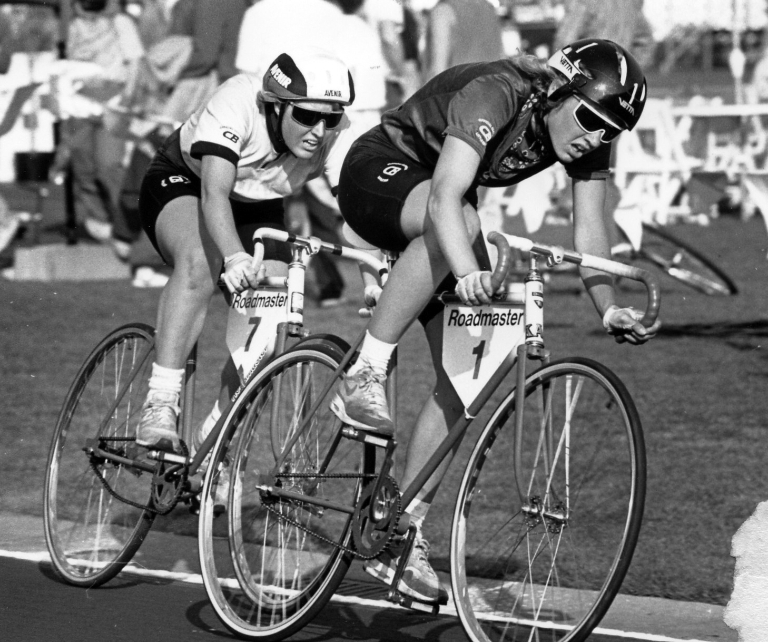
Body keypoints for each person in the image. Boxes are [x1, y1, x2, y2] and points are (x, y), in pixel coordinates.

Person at [332, 38, 661, 606]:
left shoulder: (586, 138)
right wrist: (464, 273)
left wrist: (607, 305)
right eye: (590, 118)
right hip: (379, 173)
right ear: (559, 89)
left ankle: (399, 524)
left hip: (444, 208)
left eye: (612, 131)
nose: (596, 137)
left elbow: (589, 234)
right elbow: (443, 200)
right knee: (457, 222)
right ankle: (364, 371)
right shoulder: (495, 90)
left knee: (473, 371)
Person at [135, 50, 357, 453]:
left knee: (273, 321)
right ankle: (161, 401)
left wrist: (378, 268)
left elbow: (357, 210)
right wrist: (234, 256)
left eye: (331, 118)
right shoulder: (238, 100)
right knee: (201, 263)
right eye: (306, 117)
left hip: (259, 205)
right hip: (187, 182)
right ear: (275, 106)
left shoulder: (333, 132)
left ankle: (216, 437)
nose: (320, 130)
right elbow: (214, 194)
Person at [63, 0, 144, 243]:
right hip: (80, 102)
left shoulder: (120, 22)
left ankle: (126, 225)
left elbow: (136, 62)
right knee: (82, 163)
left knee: (109, 166)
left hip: (114, 101)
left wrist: (127, 100)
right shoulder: (75, 24)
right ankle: (100, 222)